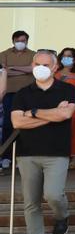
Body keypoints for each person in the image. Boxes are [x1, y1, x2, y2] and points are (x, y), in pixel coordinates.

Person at [11, 50, 75, 234]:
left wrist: (32, 113)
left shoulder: (67, 90)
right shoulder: (23, 93)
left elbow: (66, 114)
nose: (41, 68)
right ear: (32, 65)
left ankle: (62, 216)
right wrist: (52, 115)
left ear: (55, 67)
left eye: (46, 65)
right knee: (31, 201)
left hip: (56, 152)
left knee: (53, 194)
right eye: (37, 63)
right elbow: (17, 122)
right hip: (27, 152)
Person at [0, 30, 35, 173]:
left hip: (28, 94)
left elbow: (33, 69)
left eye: (24, 40)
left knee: (26, 123)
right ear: (13, 40)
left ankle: (22, 156)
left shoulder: (33, 54)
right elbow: (3, 71)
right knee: (8, 124)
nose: (22, 43)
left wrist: (12, 68)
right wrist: (25, 71)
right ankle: (6, 155)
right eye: (19, 40)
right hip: (8, 94)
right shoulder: (4, 54)